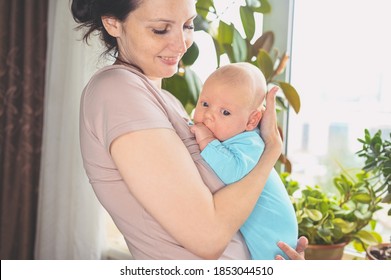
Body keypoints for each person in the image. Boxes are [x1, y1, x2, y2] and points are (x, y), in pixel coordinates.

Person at [71, 0, 308, 260]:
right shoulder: (117, 91)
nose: (182, 44)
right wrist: (271, 151)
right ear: (113, 23)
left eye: (187, 25)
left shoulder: (167, 102)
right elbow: (208, 238)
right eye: (161, 29)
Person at [190, 62, 298, 259]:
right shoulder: (229, 134)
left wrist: (206, 140)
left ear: (252, 121)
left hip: (274, 241)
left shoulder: (250, 143)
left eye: (225, 112)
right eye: (205, 104)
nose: (208, 115)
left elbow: (232, 172)